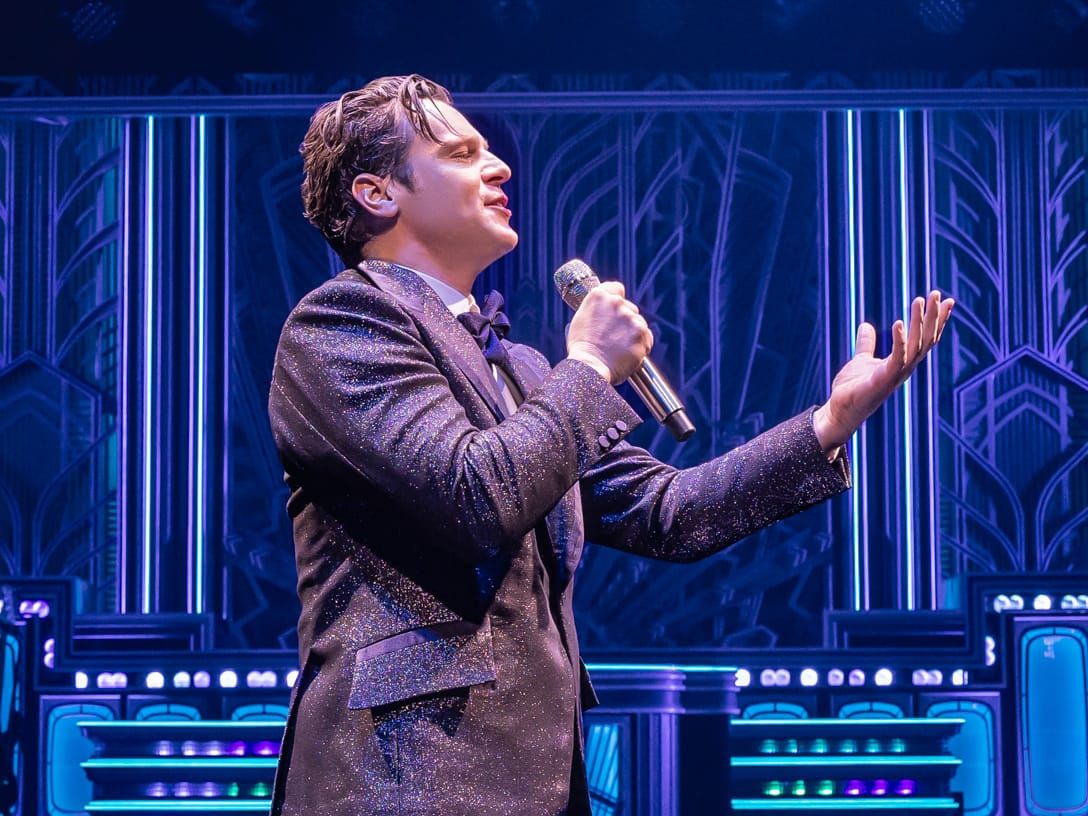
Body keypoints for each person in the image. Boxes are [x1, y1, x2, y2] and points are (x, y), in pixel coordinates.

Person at [267, 74, 953, 816]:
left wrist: (830, 421)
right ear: (377, 193)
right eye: (461, 154)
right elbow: (473, 497)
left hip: (537, 777)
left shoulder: (522, 369)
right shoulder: (342, 323)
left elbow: (670, 513)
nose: (498, 167)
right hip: (403, 774)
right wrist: (592, 365)